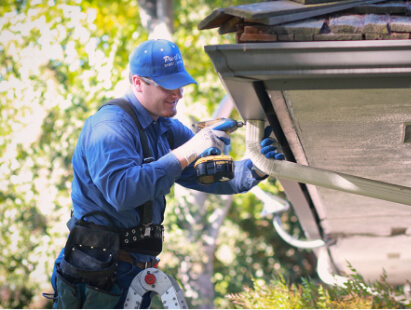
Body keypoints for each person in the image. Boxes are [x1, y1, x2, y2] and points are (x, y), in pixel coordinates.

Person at [47, 39, 284, 309]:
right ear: (138, 82)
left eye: (180, 84)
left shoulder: (165, 127)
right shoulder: (109, 127)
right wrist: (191, 148)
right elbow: (123, 192)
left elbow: (206, 174)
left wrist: (257, 166)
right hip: (97, 273)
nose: (178, 93)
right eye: (167, 85)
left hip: (135, 273)